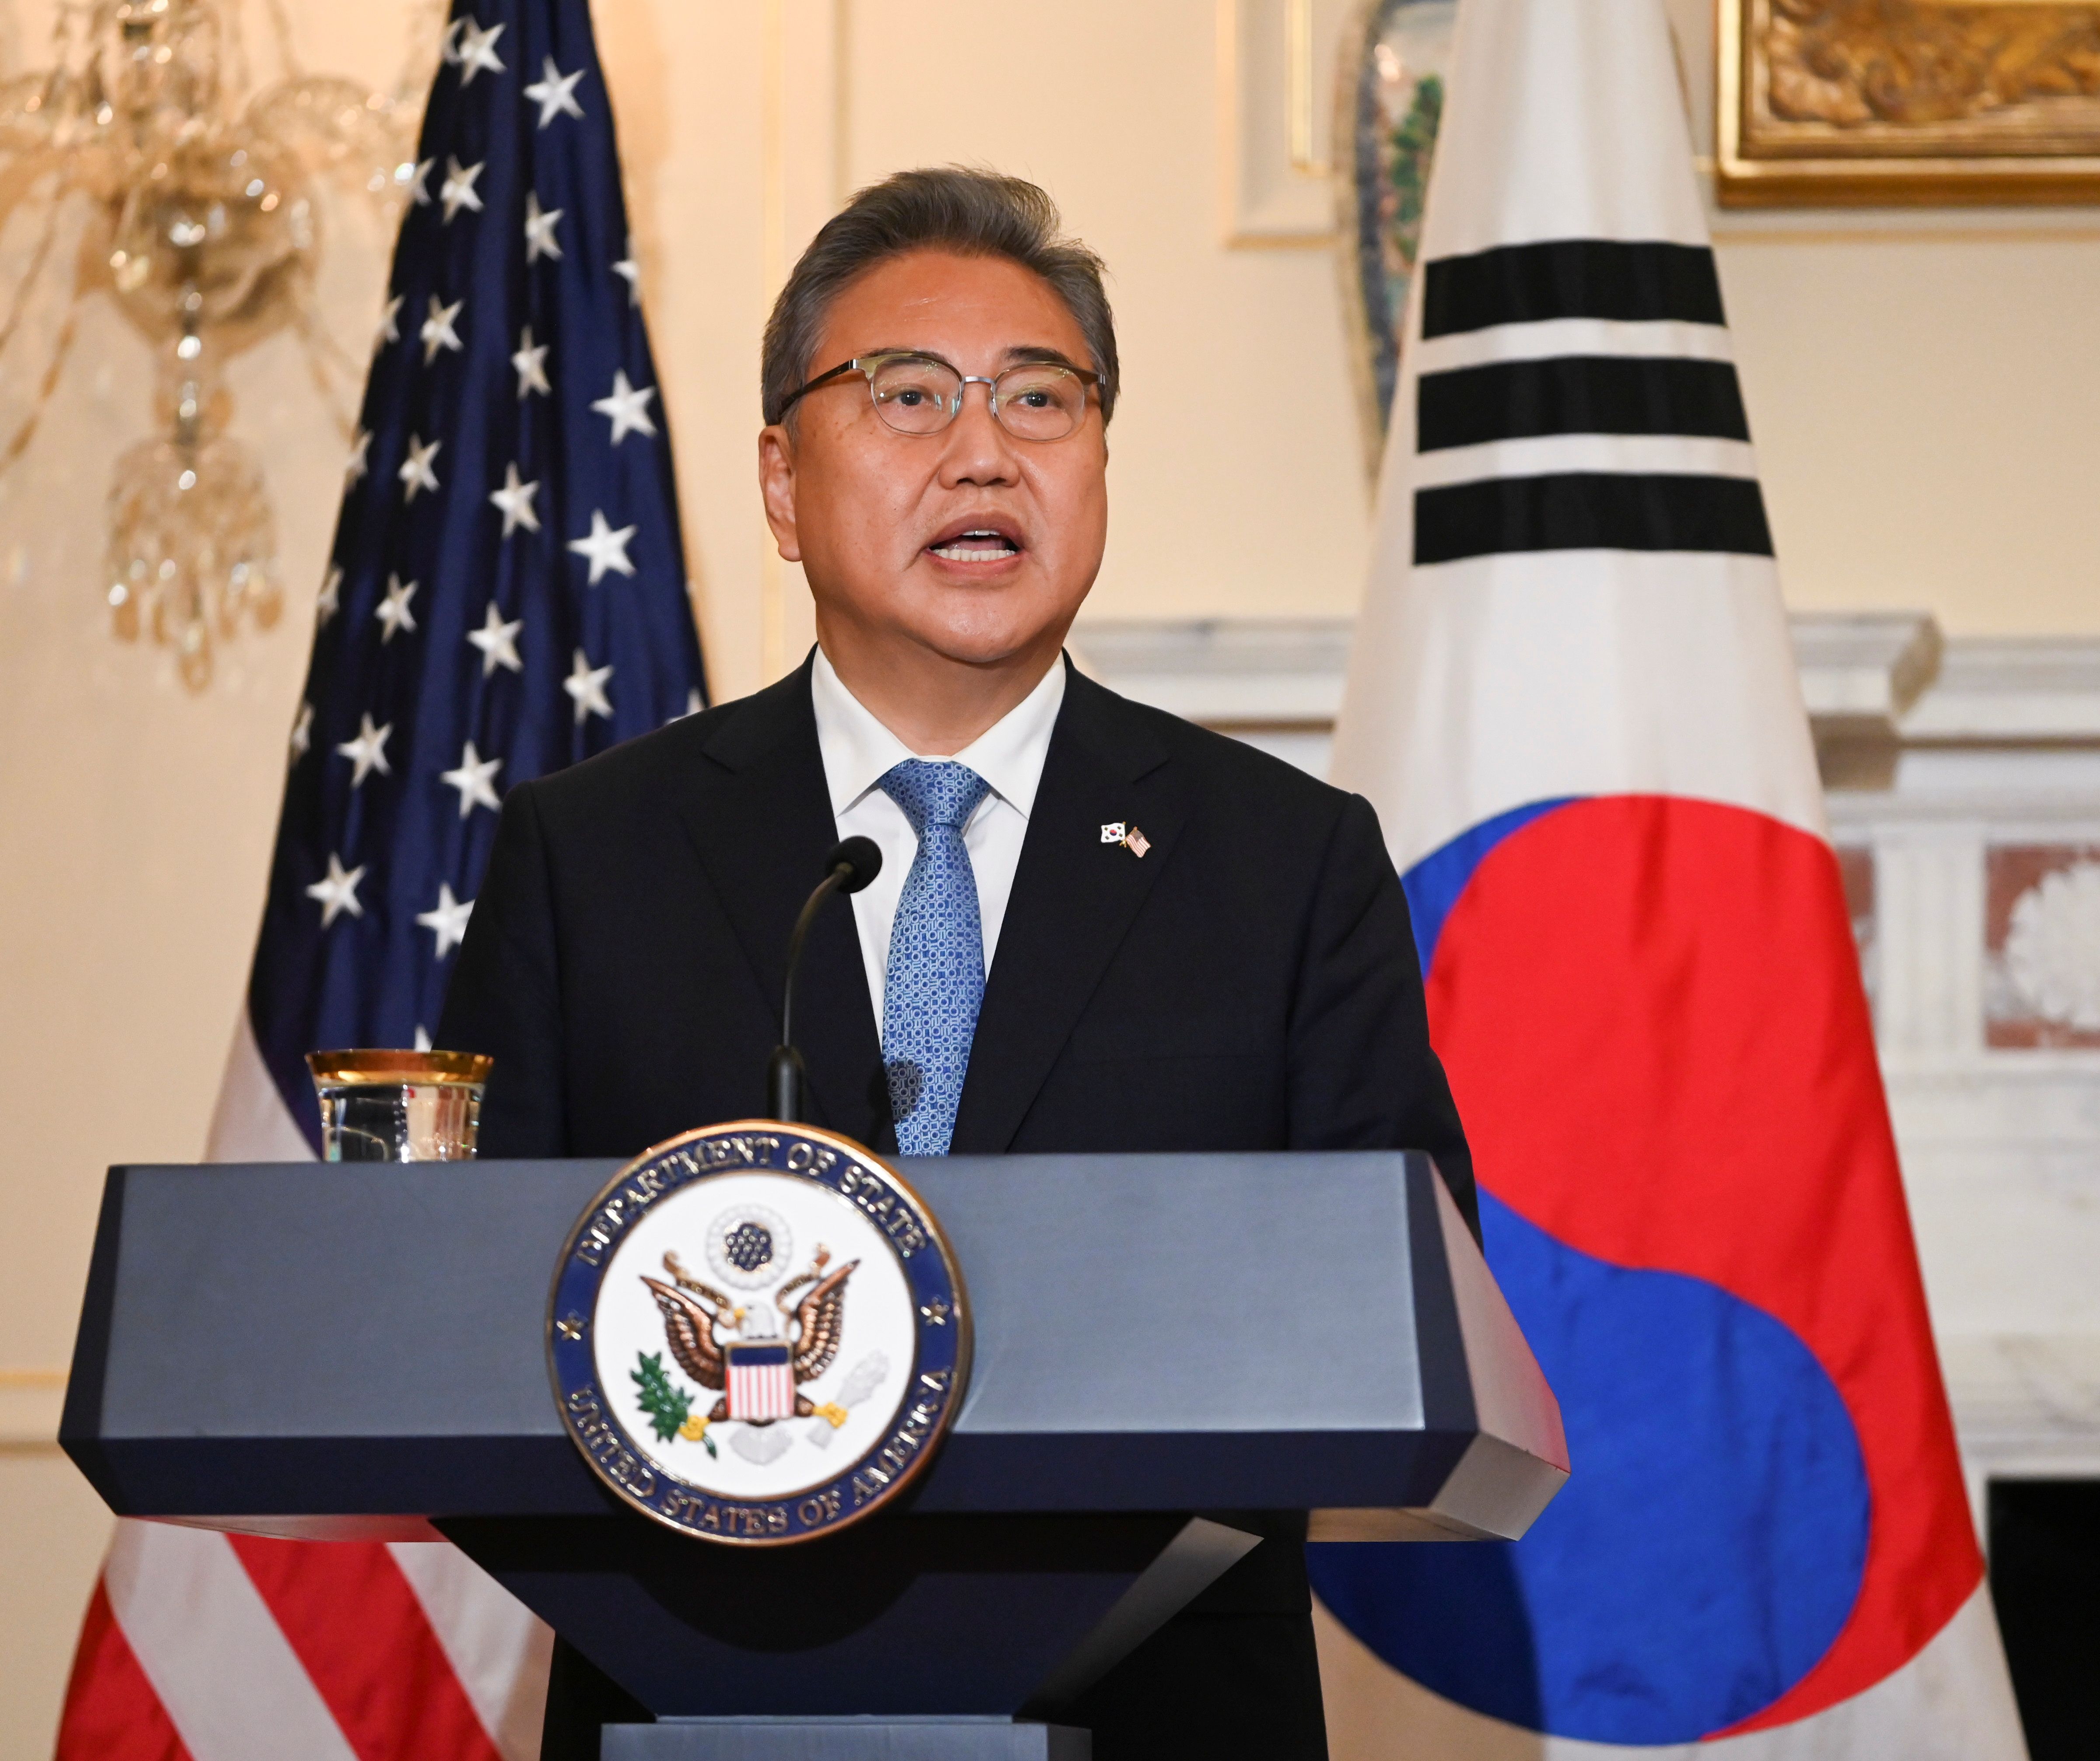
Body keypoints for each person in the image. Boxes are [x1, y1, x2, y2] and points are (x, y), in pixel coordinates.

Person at [440, 164, 1474, 1761]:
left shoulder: (1286, 862)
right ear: (782, 483)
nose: (984, 450)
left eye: (1041, 398)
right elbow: (470, 1317)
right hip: (696, 1695)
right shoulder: (595, 859)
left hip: (1170, 1717)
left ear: (1101, 463)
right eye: (907, 396)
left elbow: (1404, 1300)